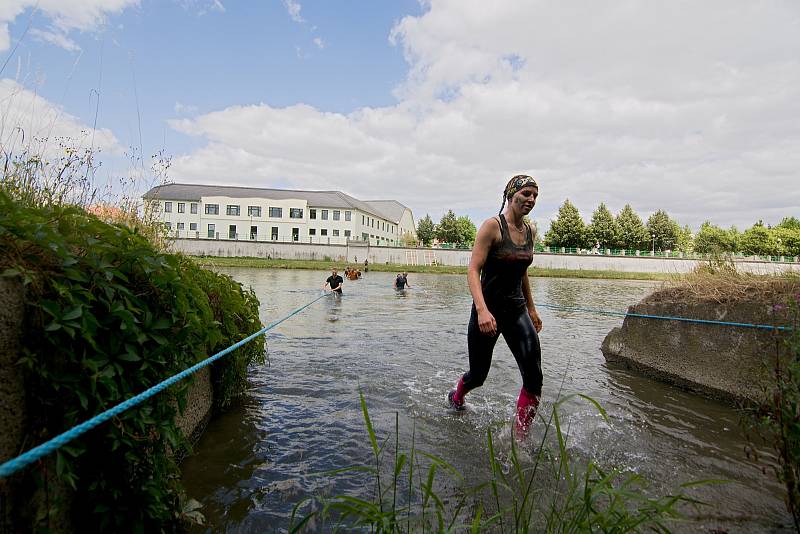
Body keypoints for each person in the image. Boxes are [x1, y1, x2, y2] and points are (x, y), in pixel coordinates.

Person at [447, 174, 543, 441]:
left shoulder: (529, 232)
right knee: (478, 376)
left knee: (534, 379)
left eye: (535, 195)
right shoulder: (492, 226)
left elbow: (522, 271)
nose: (531, 199)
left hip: (517, 311)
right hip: (487, 313)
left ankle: (520, 438)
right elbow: (473, 270)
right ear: (511, 195)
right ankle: (456, 396)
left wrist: (532, 309)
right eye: (525, 194)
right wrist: (481, 310)